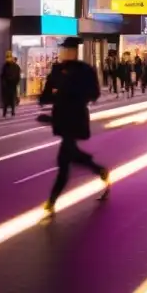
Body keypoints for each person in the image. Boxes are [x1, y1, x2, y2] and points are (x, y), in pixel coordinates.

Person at [39, 37, 110, 217]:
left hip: (76, 118)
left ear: (75, 51)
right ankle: (99, 170)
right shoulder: (56, 70)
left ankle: (51, 202)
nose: (66, 53)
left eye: (69, 50)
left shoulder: (85, 70)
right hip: (61, 118)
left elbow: (94, 93)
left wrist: (70, 95)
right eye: (64, 50)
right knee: (72, 155)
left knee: (63, 160)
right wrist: (50, 99)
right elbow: (45, 95)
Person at [0, 52, 21, 118]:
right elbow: (2, 76)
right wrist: (4, 83)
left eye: (9, 57)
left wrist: (14, 82)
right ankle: (6, 112)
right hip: (8, 85)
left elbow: (17, 76)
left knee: (11, 99)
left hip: (11, 85)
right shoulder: (6, 66)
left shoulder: (15, 67)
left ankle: (11, 112)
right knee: (7, 100)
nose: (8, 59)